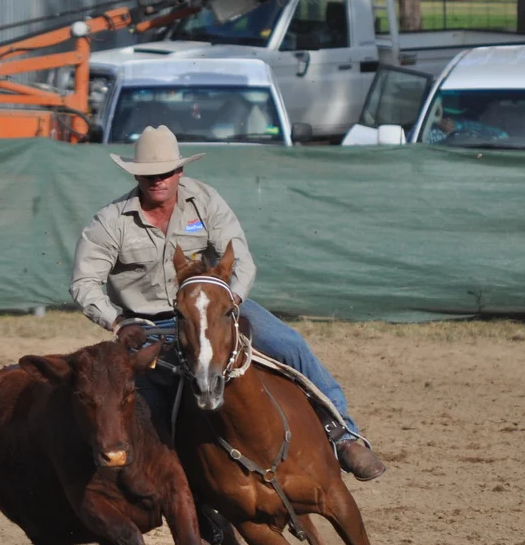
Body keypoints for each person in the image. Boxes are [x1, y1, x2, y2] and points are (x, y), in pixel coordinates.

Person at [69, 124, 386, 481]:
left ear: (179, 171)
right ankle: (178, 487)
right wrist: (118, 323)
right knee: (146, 402)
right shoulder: (111, 221)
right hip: (146, 324)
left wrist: (230, 301)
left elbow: (242, 260)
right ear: (136, 176)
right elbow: (84, 283)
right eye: (148, 174)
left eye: (165, 172)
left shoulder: (204, 201)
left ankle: (343, 436)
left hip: (216, 308)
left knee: (288, 344)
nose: (157, 180)